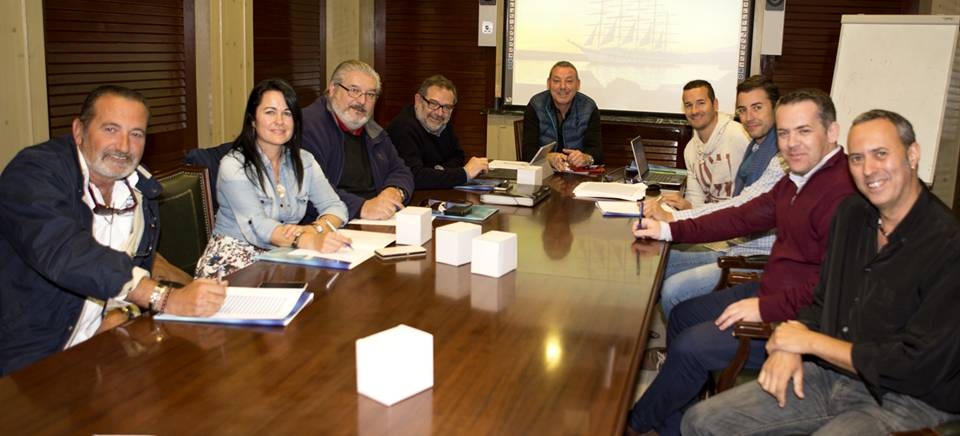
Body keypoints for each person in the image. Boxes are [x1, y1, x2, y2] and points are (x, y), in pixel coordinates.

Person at [683, 110, 960, 435]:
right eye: (857, 158)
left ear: (912, 155)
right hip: (832, 373)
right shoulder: (852, 214)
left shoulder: (947, 244)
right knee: (699, 421)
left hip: (907, 399)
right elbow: (823, 299)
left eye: (881, 154)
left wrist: (809, 343)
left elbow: (918, 365)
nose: (868, 169)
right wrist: (793, 339)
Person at [625, 89, 856, 436]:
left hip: (800, 318)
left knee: (690, 346)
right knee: (684, 315)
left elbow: (833, 284)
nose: (791, 143)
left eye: (804, 131)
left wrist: (766, 307)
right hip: (771, 291)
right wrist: (668, 229)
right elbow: (741, 216)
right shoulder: (798, 178)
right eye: (784, 133)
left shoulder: (844, 192)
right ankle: (672, 423)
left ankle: (634, 424)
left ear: (832, 132)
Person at [0, 85, 227, 375]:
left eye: (136, 134)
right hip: (29, 357)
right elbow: (66, 252)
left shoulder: (141, 191)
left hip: (100, 350)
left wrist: (123, 311)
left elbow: (130, 273)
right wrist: (164, 298)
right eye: (110, 129)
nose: (123, 146)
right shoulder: (33, 172)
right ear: (79, 131)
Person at [647, 75, 785, 319]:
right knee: (656, 261)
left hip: (752, 255)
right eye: (743, 110)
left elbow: (739, 207)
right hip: (733, 242)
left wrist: (674, 219)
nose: (749, 117)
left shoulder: (777, 156)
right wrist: (682, 212)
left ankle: (688, 339)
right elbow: (735, 205)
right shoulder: (755, 147)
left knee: (672, 290)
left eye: (757, 107)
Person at [195, 79, 350, 278]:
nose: (280, 121)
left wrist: (315, 228)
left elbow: (336, 207)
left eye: (287, 113)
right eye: (270, 112)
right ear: (253, 120)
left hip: (284, 256)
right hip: (233, 263)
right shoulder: (233, 165)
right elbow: (259, 227)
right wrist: (307, 239)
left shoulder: (304, 160)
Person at [302, 59, 414, 220]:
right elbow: (307, 189)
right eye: (354, 91)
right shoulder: (308, 127)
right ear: (333, 89)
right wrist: (362, 207)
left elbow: (401, 170)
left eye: (370, 94)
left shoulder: (373, 130)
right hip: (329, 222)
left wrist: (395, 190)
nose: (362, 101)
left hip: (376, 220)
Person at [387, 75, 488, 189]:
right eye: (433, 104)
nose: (439, 113)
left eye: (447, 107)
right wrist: (465, 174)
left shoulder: (442, 123)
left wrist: (437, 172)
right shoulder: (402, 128)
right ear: (418, 100)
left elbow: (458, 157)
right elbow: (414, 177)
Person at [662, 80, 750, 211]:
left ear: (715, 104)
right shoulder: (690, 150)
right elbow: (695, 199)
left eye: (701, 103)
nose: (694, 111)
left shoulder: (740, 135)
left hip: (742, 218)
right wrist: (686, 206)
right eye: (688, 105)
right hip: (713, 220)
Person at [522, 60, 602, 171]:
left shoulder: (589, 107)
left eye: (569, 81)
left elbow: (597, 152)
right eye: (556, 81)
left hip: (577, 175)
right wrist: (548, 157)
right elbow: (527, 152)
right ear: (549, 83)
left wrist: (586, 158)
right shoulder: (536, 105)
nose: (563, 87)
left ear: (578, 84)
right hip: (544, 174)